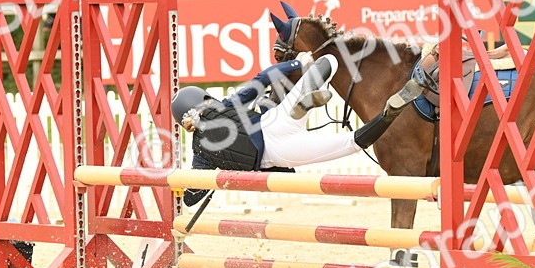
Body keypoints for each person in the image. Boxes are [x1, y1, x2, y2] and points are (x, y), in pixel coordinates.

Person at [171, 55, 424, 206]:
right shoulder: (227, 105)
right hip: (274, 121)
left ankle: (388, 114)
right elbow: (263, 78)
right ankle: (303, 100)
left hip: (279, 152)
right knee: (329, 63)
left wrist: (215, 179)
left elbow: (192, 198)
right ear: (205, 98)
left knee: (350, 143)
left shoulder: (201, 153)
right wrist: (297, 61)